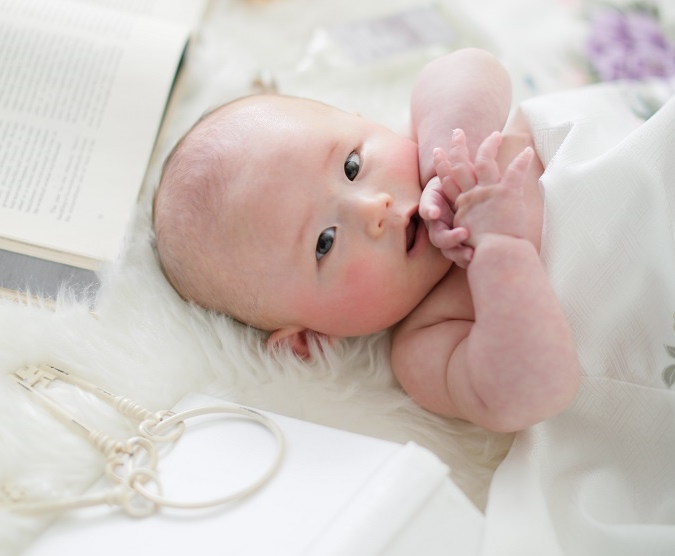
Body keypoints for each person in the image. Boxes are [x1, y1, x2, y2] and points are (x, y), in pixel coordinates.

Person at [152, 48, 579, 433]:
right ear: (310, 341)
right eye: (325, 242)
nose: (372, 207)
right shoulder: (427, 345)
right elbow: (532, 393)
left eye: (352, 166)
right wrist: (501, 248)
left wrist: (444, 163)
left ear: (362, 121)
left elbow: (473, 67)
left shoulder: (429, 138)